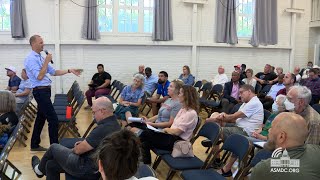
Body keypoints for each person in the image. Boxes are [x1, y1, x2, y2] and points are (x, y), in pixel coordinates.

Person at [31, 96, 121, 179]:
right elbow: (95, 143)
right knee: (50, 165)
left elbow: (78, 150)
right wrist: (83, 144)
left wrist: (75, 149)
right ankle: (40, 169)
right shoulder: (115, 124)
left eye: (94, 112)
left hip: (86, 168)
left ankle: (39, 170)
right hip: (94, 163)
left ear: (102, 111)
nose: (93, 115)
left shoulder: (103, 128)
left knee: (53, 147)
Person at [24, 35, 81, 151]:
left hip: (45, 91)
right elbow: (39, 76)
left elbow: (54, 72)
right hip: (40, 91)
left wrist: (69, 70)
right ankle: (55, 148)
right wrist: (46, 61)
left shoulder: (40, 57)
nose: (43, 44)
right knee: (53, 119)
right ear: (33, 44)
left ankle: (34, 144)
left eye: (42, 42)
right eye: (40, 43)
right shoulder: (31, 59)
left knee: (41, 118)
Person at [206, 84, 264, 177]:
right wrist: (221, 116)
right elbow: (233, 119)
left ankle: (216, 148)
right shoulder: (246, 103)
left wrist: (213, 119)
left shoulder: (254, 103)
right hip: (237, 126)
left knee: (215, 130)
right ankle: (217, 157)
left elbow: (233, 117)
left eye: (241, 93)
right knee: (215, 116)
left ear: (249, 91)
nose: (239, 95)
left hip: (245, 132)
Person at [140, 85, 199, 164]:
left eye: (180, 93)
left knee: (146, 134)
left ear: (186, 96)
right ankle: (145, 164)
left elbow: (177, 132)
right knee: (145, 141)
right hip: (171, 137)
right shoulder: (183, 109)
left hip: (177, 142)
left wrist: (165, 130)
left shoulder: (191, 113)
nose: (178, 95)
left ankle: (140, 161)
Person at [251, 112, 320, 180]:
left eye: (271, 127)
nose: (269, 130)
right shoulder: (317, 150)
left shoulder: (265, 169)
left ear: (281, 137)